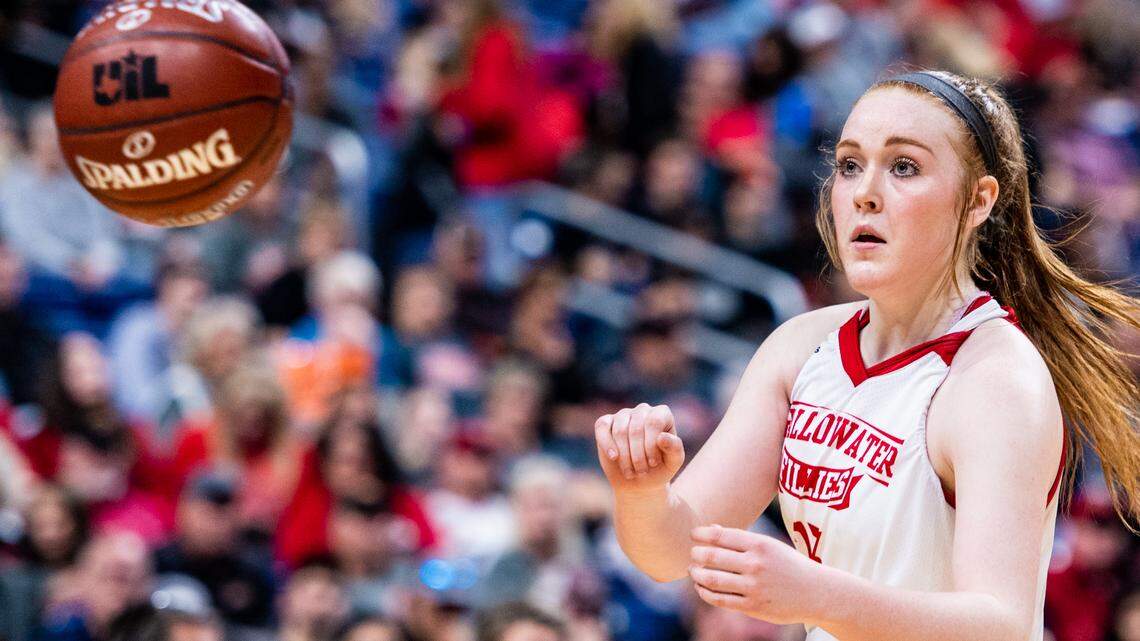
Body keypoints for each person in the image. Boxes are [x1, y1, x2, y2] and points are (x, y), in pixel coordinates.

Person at [594, 69, 1140, 641]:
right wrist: (641, 491)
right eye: (850, 164)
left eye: (903, 166)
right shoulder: (800, 349)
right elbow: (671, 552)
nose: (864, 192)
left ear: (978, 200)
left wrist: (818, 595)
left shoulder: (995, 379)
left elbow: (997, 624)